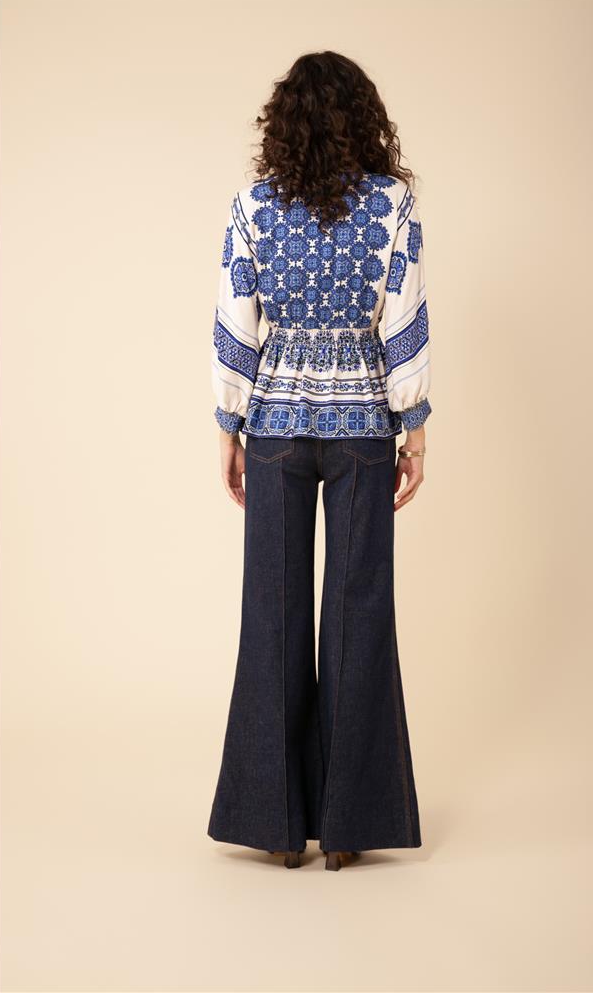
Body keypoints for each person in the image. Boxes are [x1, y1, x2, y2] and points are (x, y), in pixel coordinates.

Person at [207, 51, 431, 872]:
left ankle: (274, 824)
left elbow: (235, 319)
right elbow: (404, 318)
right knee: (358, 611)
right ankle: (347, 826)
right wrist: (414, 428)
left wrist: (228, 425)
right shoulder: (393, 206)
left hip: (273, 426)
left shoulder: (253, 207)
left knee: (270, 612)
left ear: (283, 124)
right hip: (364, 425)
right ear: (364, 119)